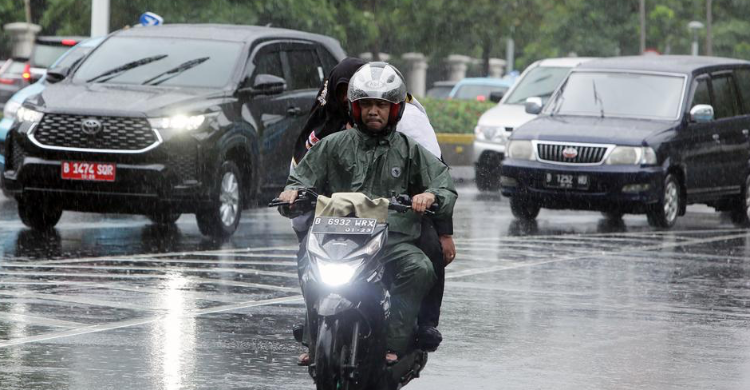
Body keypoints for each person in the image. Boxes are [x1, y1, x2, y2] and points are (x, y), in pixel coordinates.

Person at [278, 62, 457, 364]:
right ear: (354, 108)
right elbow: (300, 179)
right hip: (335, 237)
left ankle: (395, 342)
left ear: (395, 110)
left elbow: (443, 184)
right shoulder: (330, 145)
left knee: (420, 268)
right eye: (367, 104)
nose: (374, 111)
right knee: (306, 262)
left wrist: (430, 196)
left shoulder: (410, 149)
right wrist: (291, 193)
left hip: (391, 240)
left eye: (381, 105)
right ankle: (313, 337)